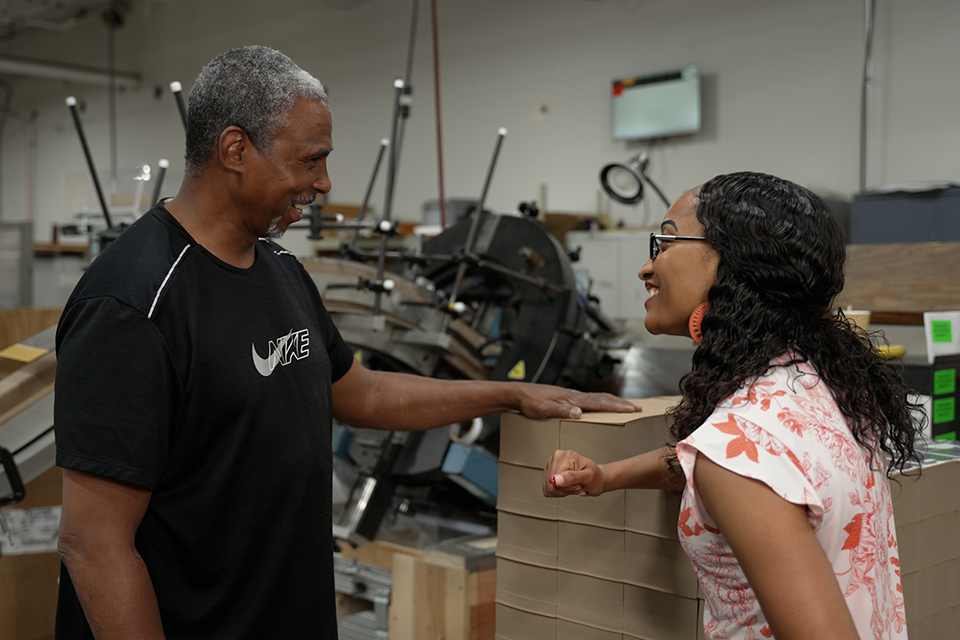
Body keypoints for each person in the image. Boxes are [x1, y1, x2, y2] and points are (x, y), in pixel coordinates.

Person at [53, 45, 636, 640]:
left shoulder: (279, 269)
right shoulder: (132, 303)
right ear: (235, 150)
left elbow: (367, 393)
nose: (323, 183)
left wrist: (510, 395)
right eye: (310, 161)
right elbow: (93, 547)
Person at [543, 172, 920, 640]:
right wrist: (606, 476)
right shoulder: (822, 388)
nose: (645, 267)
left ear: (734, 261)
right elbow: (737, 464)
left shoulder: (742, 450)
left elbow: (740, 467)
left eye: (664, 242)